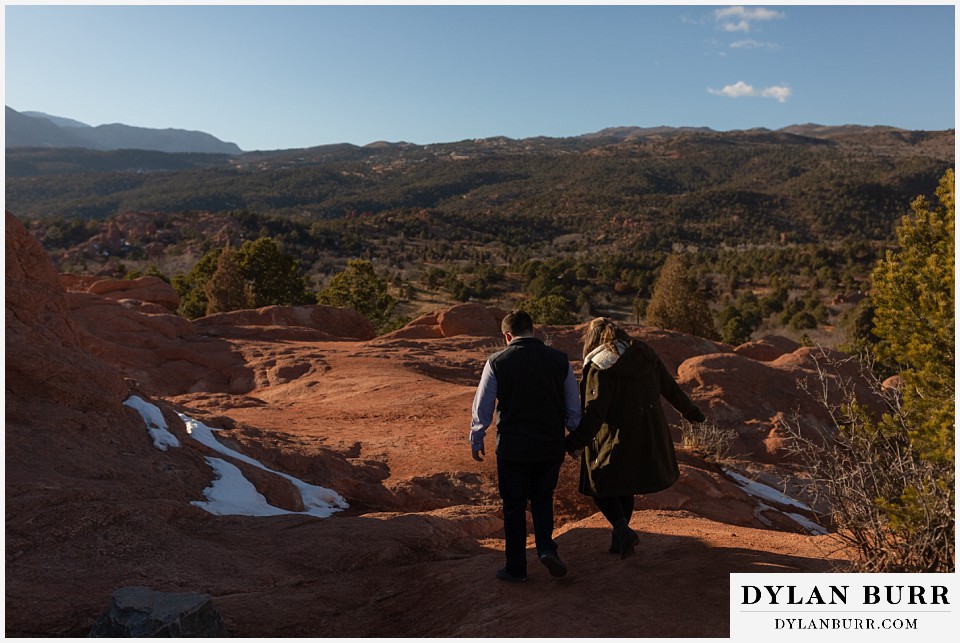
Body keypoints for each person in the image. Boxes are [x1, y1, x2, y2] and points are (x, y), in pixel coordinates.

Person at [565, 317, 705, 559]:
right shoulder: (644, 353)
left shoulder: (601, 365)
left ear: (593, 339)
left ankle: (622, 530)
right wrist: (691, 412)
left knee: (598, 482)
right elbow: (670, 388)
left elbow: (595, 411)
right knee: (624, 485)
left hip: (616, 436)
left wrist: (574, 442)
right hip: (649, 433)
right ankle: (620, 540)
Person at [470, 310, 581, 583]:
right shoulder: (559, 360)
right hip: (549, 445)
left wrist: (477, 436)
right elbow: (573, 406)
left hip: (513, 448)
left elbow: (483, 407)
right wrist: (575, 438)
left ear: (507, 335)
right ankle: (545, 548)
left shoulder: (497, 361)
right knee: (543, 499)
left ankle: (516, 567)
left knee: (514, 506)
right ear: (533, 330)